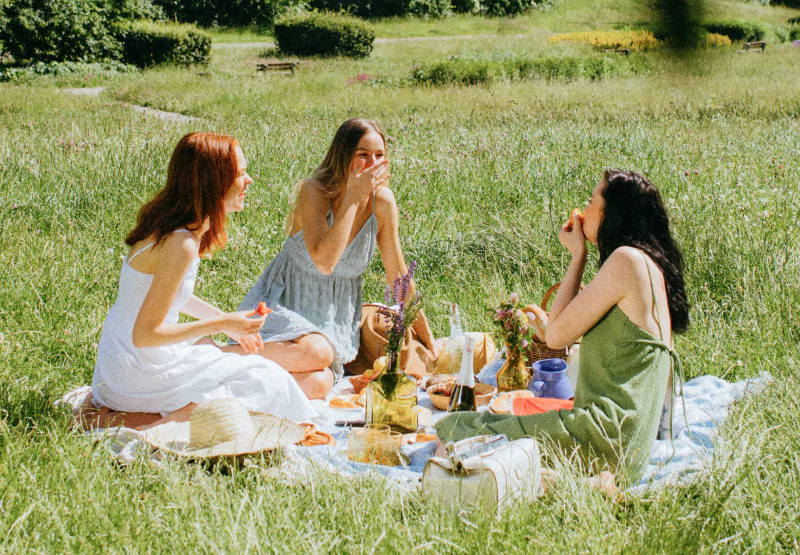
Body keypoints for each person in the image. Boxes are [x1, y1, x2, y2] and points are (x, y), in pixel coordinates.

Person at [436, 170, 689, 482]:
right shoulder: (651, 269)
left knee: (456, 429)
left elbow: (556, 335)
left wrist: (577, 255)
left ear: (612, 214)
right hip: (631, 448)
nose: (584, 211)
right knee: (502, 428)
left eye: (592, 202)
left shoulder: (626, 261)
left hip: (601, 439)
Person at [91, 133, 316, 428]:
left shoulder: (178, 231)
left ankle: (137, 417)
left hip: (122, 365)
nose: (249, 181)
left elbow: (171, 296)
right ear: (214, 182)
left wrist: (227, 321)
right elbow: (145, 335)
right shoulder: (180, 243)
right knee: (266, 379)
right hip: (135, 371)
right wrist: (222, 324)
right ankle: (142, 425)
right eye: (240, 173)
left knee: (231, 360)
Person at [230, 119, 435, 399]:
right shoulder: (314, 192)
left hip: (333, 318)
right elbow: (324, 262)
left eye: (379, 155)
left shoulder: (382, 202)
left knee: (322, 381)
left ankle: (233, 385)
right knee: (318, 355)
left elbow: (399, 276)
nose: (372, 163)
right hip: (288, 303)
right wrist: (353, 196)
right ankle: (223, 354)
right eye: (362, 155)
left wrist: (430, 340)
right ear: (343, 156)